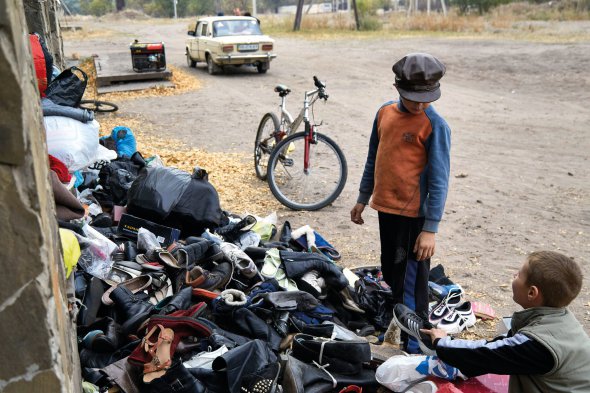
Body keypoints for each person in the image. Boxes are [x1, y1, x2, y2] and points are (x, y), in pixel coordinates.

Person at [350, 52, 451, 353]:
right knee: (391, 271)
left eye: (426, 98)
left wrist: (430, 228)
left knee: (411, 282)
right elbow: (374, 158)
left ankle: (415, 344)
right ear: (397, 87)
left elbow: (439, 180)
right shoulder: (384, 114)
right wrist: (362, 197)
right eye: (413, 98)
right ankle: (398, 329)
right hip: (387, 209)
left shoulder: (435, 125)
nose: (420, 104)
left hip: (414, 218)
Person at [418, 251, 590, 392]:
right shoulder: (561, 319)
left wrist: (442, 342)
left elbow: (488, 354)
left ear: (532, 293)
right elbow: (502, 346)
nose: (514, 275)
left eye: (519, 275)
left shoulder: (537, 344)